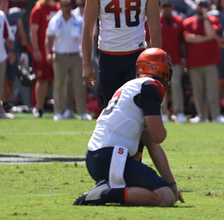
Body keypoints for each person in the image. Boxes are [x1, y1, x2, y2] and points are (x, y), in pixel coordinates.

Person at [73, 48, 183, 207]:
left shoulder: (131, 87)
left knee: (166, 191)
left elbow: (153, 144)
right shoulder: (150, 87)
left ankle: (107, 190)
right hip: (111, 157)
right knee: (165, 197)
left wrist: (172, 184)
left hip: (96, 158)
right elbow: (159, 136)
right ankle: (105, 193)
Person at [81, 0, 162, 108]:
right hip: (108, 56)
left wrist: (155, 62)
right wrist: (86, 63)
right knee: (112, 108)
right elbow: (88, 28)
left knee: (135, 108)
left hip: (137, 55)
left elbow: (155, 28)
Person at [46, 0, 89, 121]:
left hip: (76, 55)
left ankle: (82, 112)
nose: (67, 8)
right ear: (60, 6)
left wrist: (84, 55)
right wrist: (48, 52)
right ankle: (58, 112)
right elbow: (48, 38)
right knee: (59, 85)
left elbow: (84, 38)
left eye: (69, 5)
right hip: (60, 56)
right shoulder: (55, 20)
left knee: (79, 85)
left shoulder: (78, 19)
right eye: (64, 5)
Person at [183, 0, 224, 123]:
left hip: (210, 61)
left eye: (204, 5)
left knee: (212, 92)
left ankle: (215, 115)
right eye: (200, 5)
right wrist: (206, 38)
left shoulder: (213, 19)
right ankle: (202, 116)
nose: (202, 7)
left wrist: (205, 17)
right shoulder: (188, 21)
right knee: (198, 92)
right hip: (195, 62)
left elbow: (211, 33)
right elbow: (188, 38)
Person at [29, 0, 61, 118]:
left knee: (53, 79)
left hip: (58, 49)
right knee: (42, 79)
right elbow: (33, 31)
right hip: (43, 49)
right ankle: (39, 108)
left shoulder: (60, 9)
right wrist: (36, 49)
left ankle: (49, 105)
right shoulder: (38, 9)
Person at [0, 0, 29, 111]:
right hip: (0, 52)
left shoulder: (15, 14)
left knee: (10, 80)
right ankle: (2, 104)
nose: (3, 5)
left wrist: (24, 51)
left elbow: (22, 32)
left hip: (14, 51)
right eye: (0, 2)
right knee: (3, 80)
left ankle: (6, 102)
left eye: (5, 2)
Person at [158, 0, 186, 123]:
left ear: (172, 7)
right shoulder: (155, 20)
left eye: (169, 6)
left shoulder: (179, 20)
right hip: (160, 60)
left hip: (175, 59)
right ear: (160, 7)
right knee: (161, 86)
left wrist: (184, 57)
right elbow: (148, 40)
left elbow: (182, 42)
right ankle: (163, 112)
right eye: (164, 6)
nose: (167, 8)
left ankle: (178, 112)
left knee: (176, 86)